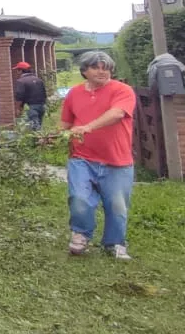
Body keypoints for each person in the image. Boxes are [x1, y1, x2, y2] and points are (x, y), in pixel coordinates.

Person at [60, 51, 136, 260]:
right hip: (81, 157)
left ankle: (114, 244)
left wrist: (88, 127)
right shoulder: (74, 93)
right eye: (96, 67)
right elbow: (65, 124)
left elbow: (117, 113)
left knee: (117, 205)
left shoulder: (123, 90)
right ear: (85, 71)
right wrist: (50, 137)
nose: (102, 71)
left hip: (117, 160)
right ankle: (81, 234)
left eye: (106, 68)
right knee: (79, 197)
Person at [13, 61, 48, 130]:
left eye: (17, 70)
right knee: (38, 126)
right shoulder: (38, 80)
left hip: (31, 108)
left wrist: (18, 109)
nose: (17, 72)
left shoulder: (21, 81)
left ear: (20, 71)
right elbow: (44, 93)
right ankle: (41, 139)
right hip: (42, 107)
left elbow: (19, 96)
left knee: (35, 129)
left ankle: (36, 140)